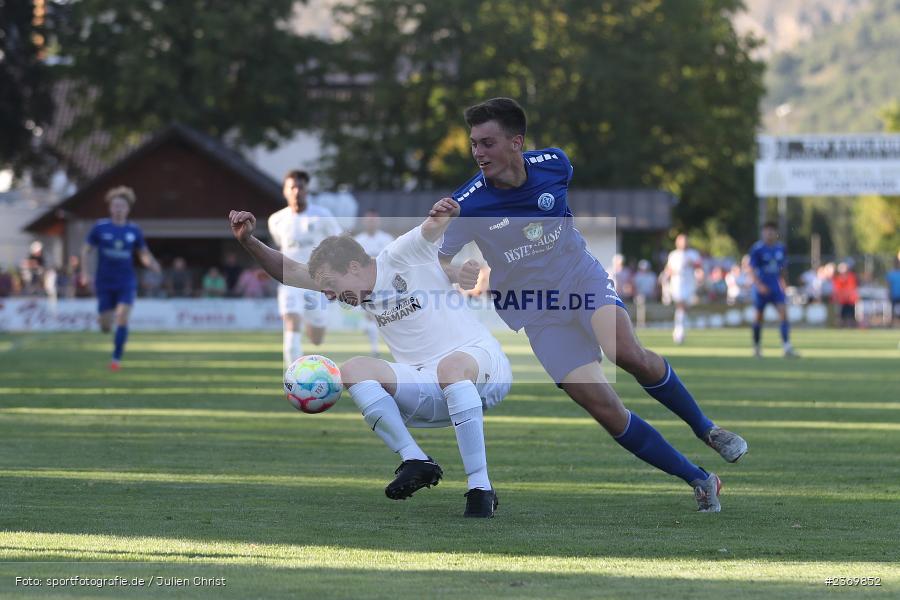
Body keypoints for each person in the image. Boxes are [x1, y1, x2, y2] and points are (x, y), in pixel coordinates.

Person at [435, 97, 745, 513]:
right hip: (536, 311)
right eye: (474, 144)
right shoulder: (467, 205)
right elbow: (438, 260)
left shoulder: (555, 164)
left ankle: (707, 429)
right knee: (606, 409)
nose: (478, 153)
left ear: (516, 142)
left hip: (580, 279)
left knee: (625, 352)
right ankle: (699, 479)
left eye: (487, 143)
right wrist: (458, 273)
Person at [229, 205, 512, 518]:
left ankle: (480, 487)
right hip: (429, 385)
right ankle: (416, 460)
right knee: (352, 369)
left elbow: (431, 227)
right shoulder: (356, 289)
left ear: (353, 267)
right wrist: (248, 241)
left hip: (483, 365)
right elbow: (291, 271)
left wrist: (446, 210)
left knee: (450, 367)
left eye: (330, 285)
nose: (329, 295)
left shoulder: (398, 256)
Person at [81, 186, 161, 370]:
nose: (118, 209)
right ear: (110, 208)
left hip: (126, 281)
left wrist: (152, 263)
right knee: (106, 326)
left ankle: (115, 360)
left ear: (128, 209)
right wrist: (85, 273)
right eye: (115, 206)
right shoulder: (100, 227)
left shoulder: (134, 230)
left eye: (122, 206)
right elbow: (86, 251)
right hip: (104, 282)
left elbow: (143, 253)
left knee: (123, 317)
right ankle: (104, 323)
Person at [269, 170, 343, 366]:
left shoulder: (322, 215)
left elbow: (339, 244)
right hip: (290, 282)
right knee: (291, 326)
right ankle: (293, 377)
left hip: (316, 284)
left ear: (306, 190)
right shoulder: (276, 220)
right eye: (292, 187)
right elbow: (280, 246)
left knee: (316, 338)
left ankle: (314, 325)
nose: (296, 191)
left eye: (300, 187)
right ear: (285, 191)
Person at [749, 222, 797, 358]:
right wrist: (759, 285)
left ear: (776, 233)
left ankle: (786, 346)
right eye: (767, 231)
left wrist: (784, 284)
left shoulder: (781, 248)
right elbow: (751, 270)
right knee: (759, 317)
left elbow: (783, 269)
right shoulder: (757, 249)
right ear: (763, 232)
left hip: (776, 287)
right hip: (761, 288)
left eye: (772, 231)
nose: (769, 233)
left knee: (784, 314)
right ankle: (757, 347)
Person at [353, 210, 395, 356]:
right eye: (368, 220)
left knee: (380, 317)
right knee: (371, 315)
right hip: (364, 284)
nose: (371, 223)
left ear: (378, 221)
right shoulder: (358, 241)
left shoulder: (387, 239)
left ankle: (375, 342)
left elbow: (393, 260)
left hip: (384, 283)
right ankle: (375, 348)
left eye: (374, 220)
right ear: (364, 222)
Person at [664, 234, 702, 343]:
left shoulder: (693, 254)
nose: (683, 243)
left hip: (690, 283)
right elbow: (668, 269)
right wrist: (667, 278)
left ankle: (680, 328)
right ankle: (679, 331)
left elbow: (699, 267)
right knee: (681, 305)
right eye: (681, 241)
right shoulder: (673, 255)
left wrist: (699, 276)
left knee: (685, 308)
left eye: (685, 241)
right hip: (677, 283)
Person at [832, 261, 858, 328]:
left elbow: (852, 287)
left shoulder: (851, 277)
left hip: (850, 300)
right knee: (842, 315)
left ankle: (851, 327)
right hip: (842, 300)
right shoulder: (837, 278)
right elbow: (837, 289)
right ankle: (842, 327)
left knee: (851, 315)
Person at [887, 256, 900, 327]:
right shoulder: (891, 273)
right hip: (894, 295)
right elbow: (889, 285)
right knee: (892, 311)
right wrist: (889, 294)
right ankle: (892, 324)